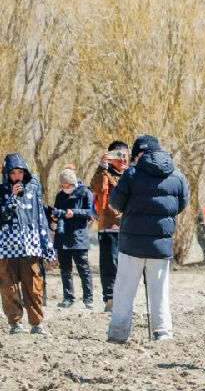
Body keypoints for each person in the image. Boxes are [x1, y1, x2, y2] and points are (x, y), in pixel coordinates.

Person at [106, 135, 189, 343]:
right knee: (159, 290)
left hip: (131, 244)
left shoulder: (132, 174)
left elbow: (115, 202)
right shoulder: (176, 175)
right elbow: (181, 204)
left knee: (124, 290)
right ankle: (162, 332)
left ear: (139, 154)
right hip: (160, 245)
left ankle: (118, 333)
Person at [0, 154, 56, 334]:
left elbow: (40, 217)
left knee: (33, 285)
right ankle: (15, 323)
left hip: (30, 246)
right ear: (7, 174)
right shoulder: (1, 191)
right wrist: (12, 198)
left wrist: (46, 244)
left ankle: (37, 323)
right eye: (13, 173)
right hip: (6, 247)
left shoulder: (33, 190)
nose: (17, 176)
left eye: (20, 172)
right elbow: (2, 216)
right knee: (9, 287)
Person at [90, 141, 129, 312]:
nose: (122, 159)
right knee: (109, 264)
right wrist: (101, 166)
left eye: (125, 154)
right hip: (109, 226)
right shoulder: (104, 173)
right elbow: (96, 187)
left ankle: (125, 298)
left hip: (129, 227)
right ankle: (110, 299)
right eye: (117, 155)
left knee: (127, 265)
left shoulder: (132, 174)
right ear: (110, 156)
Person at [52, 167, 95, 309]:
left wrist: (74, 212)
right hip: (62, 237)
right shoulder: (60, 195)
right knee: (65, 270)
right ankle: (68, 297)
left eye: (68, 186)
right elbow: (56, 210)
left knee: (83, 269)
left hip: (78, 238)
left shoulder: (85, 192)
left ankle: (88, 299)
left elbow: (90, 212)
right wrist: (54, 215)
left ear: (73, 183)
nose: (65, 188)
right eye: (63, 186)